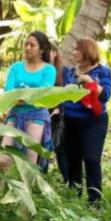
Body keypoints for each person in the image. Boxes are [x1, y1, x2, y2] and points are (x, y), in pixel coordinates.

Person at [0, 32, 57, 203]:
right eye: (26, 44)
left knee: (30, 161)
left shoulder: (49, 69)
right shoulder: (16, 67)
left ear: (42, 49)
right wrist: (23, 96)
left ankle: (25, 202)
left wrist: (21, 96)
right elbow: (9, 91)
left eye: (32, 45)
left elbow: (43, 94)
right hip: (15, 115)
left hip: (36, 117)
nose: (27, 48)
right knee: (4, 158)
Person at [60, 38, 111, 204]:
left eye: (78, 49)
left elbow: (105, 96)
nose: (74, 52)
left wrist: (90, 82)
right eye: (74, 49)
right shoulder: (69, 72)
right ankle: (74, 194)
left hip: (93, 121)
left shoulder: (103, 72)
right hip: (70, 120)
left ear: (87, 51)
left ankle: (94, 199)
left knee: (91, 159)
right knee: (72, 159)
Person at [49, 43, 68, 180]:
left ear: (55, 53)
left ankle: (67, 179)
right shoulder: (39, 70)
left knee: (60, 148)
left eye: (49, 51)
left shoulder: (63, 71)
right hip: (41, 111)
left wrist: (58, 108)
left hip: (58, 115)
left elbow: (67, 92)